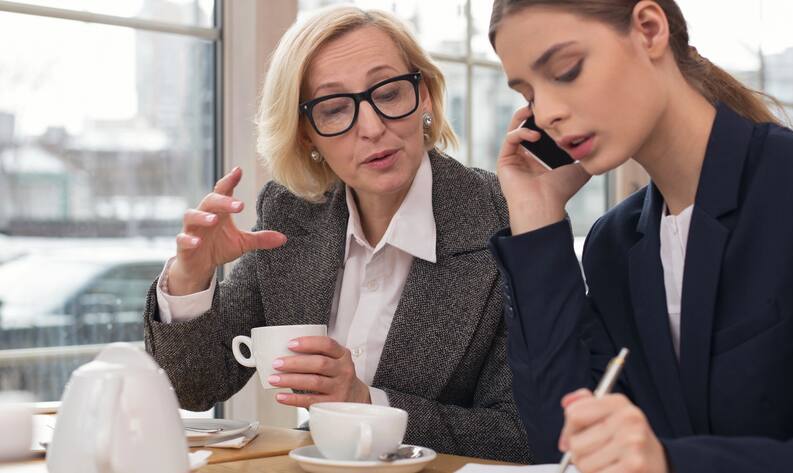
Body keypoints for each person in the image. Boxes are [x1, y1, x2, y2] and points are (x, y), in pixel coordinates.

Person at [142, 6, 530, 462]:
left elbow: (525, 435)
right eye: (334, 108)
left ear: (423, 95)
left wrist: (368, 404)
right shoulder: (290, 213)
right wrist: (192, 276)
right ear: (307, 135)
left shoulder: (505, 217)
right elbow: (199, 386)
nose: (372, 128)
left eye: (388, 93)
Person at [485, 0, 793, 471]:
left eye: (566, 70)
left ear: (649, 29)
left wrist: (671, 462)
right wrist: (536, 214)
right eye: (529, 95)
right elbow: (563, 446)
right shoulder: (614, 244)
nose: (546, 112)